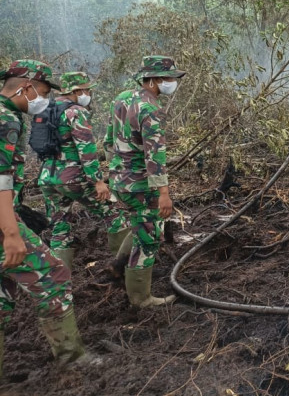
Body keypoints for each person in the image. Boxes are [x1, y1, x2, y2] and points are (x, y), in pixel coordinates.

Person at [0, 60, 90, 375]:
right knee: (53, 276)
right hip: (3, 224)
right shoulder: (6, 119)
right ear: (26, 87)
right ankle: (73, 360)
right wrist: (12, 233)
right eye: (43, 91)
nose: (45, 99)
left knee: (2, 293)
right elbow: (0, 181)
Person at [103, 56, 185, 308]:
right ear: (155, 79)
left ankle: (117, 268)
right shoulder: (150, 109)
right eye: (169, 78)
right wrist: (164, 193)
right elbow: (155, 156)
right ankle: (141, 298)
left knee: (140, 225)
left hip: (120, 180)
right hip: (141, 185)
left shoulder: (122, 98)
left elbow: (108, 140)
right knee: (149, 237)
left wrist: (115, 170)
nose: (172, 82)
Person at [36, 72, 126, 272]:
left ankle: (61, 281)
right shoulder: (75, 112)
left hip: (47, 177)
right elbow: (86, 149)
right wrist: (98, 181)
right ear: (76, 91)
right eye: (86, 90)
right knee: (113, 213)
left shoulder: (46, 109)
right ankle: (123, 267)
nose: (88, 94)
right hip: (73, 177)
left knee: (60, 227)